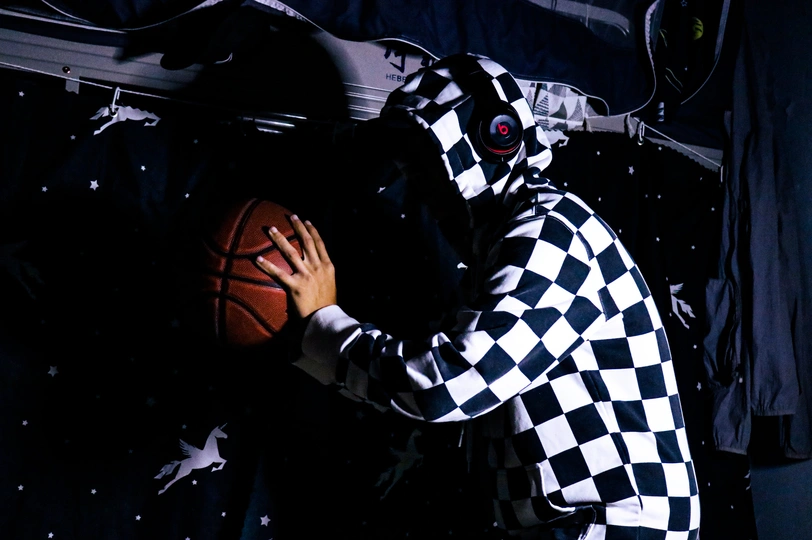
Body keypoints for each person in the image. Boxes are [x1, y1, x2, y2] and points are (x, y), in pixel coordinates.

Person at [256, 53, 700, 539]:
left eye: (430, 162)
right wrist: (304, 342)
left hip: (614, 528)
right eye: (412, 166)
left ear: (490, 143)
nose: (422, 185)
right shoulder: (503, 249)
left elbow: (449, 384)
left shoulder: (552, 235)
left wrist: (325, 324)